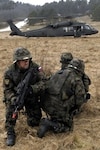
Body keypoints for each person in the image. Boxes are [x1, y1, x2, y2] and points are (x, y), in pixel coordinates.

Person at [3, 47, 45, 146]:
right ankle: (10, 131)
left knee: (34, 122)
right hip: (16, 96)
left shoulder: (35, 67)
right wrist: (13, 98)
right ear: (17, 62)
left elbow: (44, 82)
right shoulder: (10, 72)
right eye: (23, 61)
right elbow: (7, 90)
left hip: (31, 95)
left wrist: (33, 89)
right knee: (11, 108)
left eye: (27, 60)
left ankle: (30, 115)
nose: (26, 62)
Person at [37, 58, 89, 138]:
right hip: (59, 109)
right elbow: (79, 100)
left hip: (46, 106)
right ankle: (49, 123)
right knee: (68, 128)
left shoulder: (58, 73)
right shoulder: (76, 79)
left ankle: (54, 119)